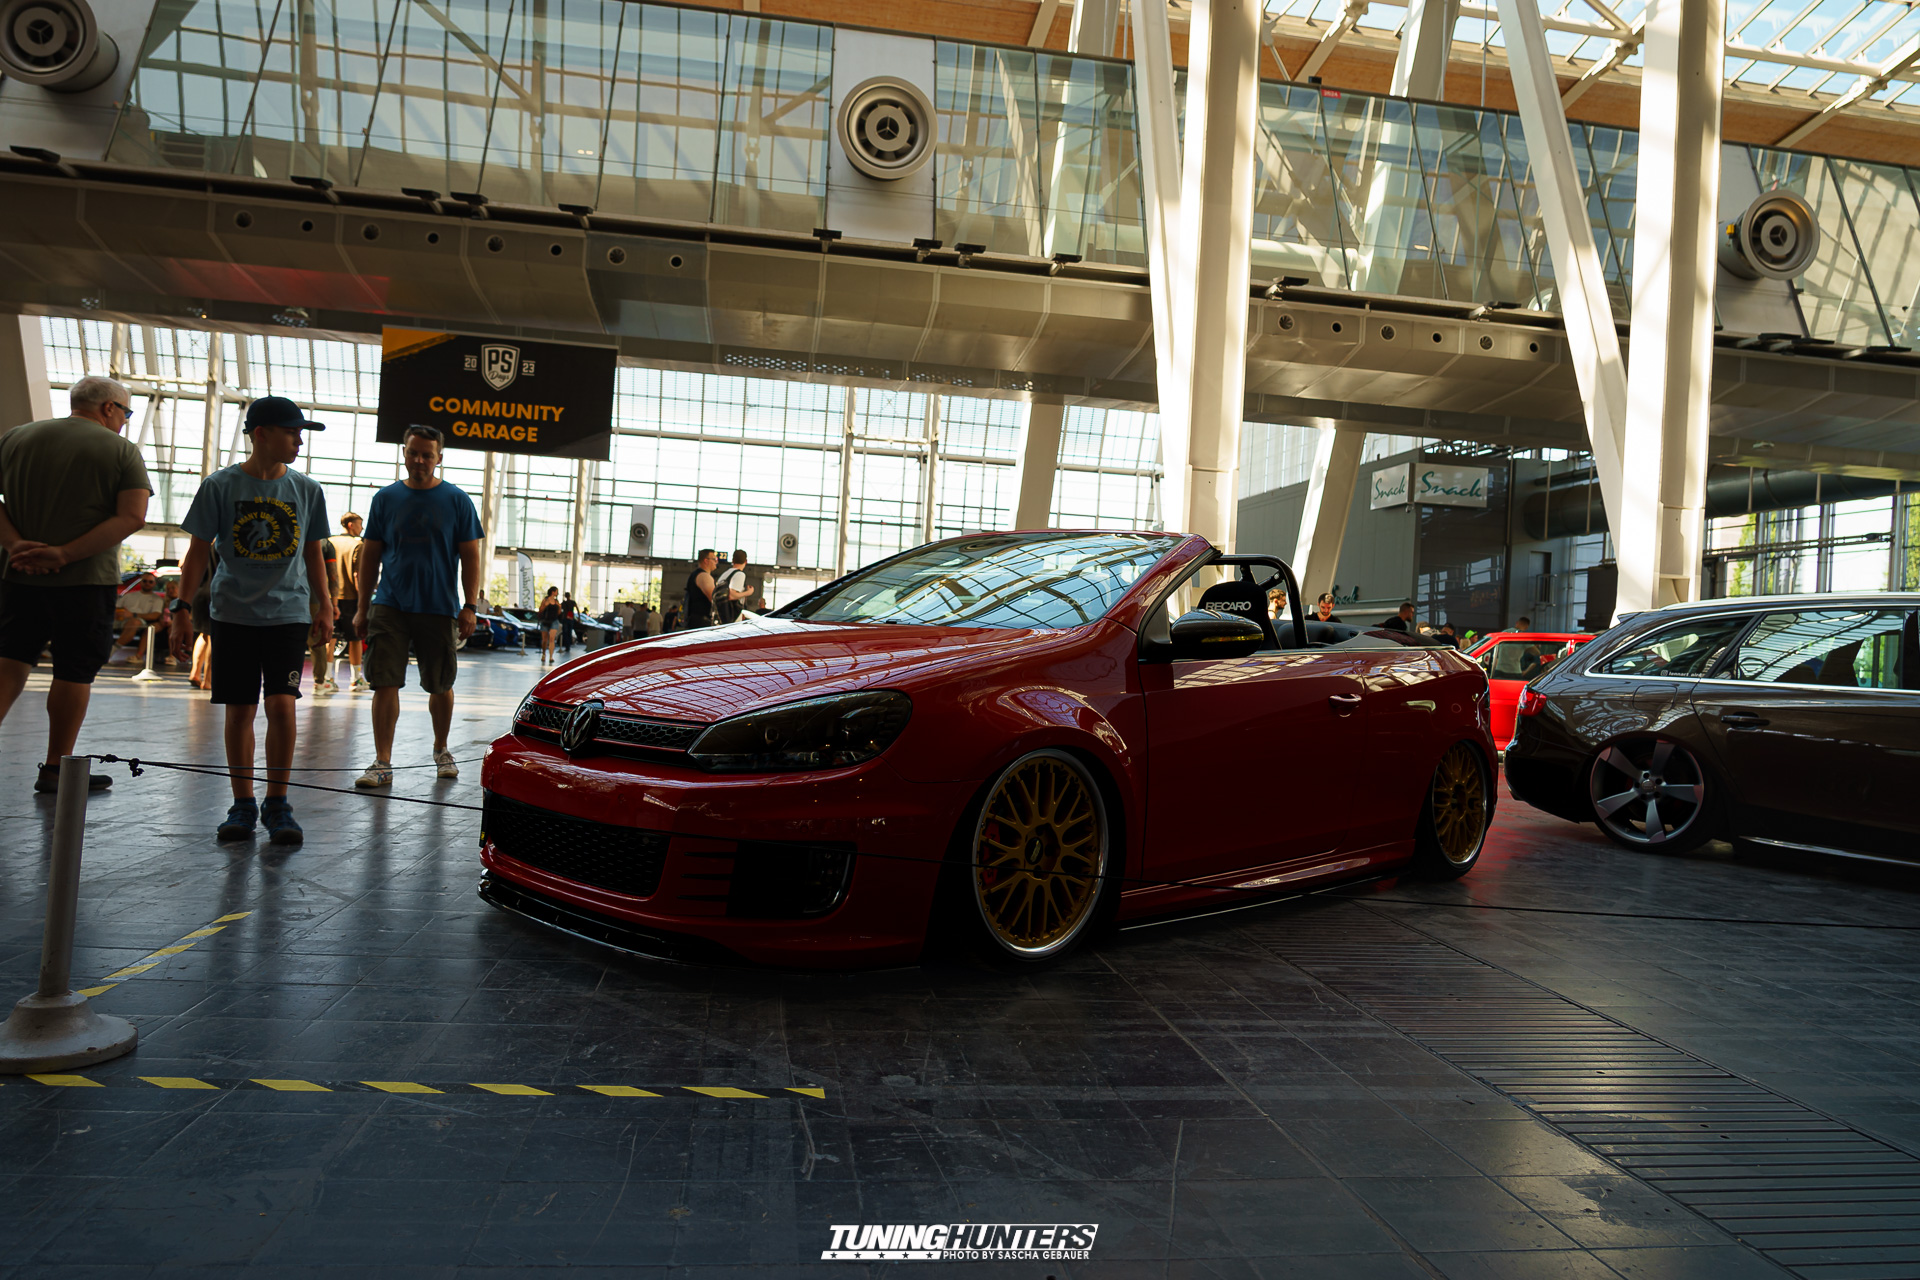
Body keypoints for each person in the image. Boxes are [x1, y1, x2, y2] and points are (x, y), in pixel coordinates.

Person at [171, 396, 332, 845]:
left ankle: (277, 803)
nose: (299, 441)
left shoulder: (307, 489)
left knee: (281, 705)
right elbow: (197, 554)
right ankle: (242, 803)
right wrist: (181, 609)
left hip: (287, 614)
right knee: (240, 709)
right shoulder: (220, 486)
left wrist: (325, 604)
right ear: (261, 433)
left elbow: (313, 554)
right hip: (233, 615)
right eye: (292, 432)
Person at [0, 374, 152, 794]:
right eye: (125, 412)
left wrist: (14, 545)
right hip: (86, 580)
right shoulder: (121, 450)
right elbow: (133, 516)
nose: (124, 421)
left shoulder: (15, 438)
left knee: (9, 662)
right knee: (74, 672)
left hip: (18, 575)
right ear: (108, 407)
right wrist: (64, 554)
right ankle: (55, 769)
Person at [352, 426, 483, 788]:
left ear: (439, 457)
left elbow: (471, 556)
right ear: (404, 453)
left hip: (438, 607)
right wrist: (362, 608)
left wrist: (470, 606)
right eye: (413, 452)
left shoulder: (457, 500)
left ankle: (442, 749)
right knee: (384, 682)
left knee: (440, 684)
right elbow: (370, 556)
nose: (419, 460)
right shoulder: (385, 499)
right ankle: (382, 762)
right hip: (390, 604)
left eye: (427, 454)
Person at [327, 512, 366, 690]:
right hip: (351, 597)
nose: (362, 528)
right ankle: (356, 679)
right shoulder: (357, 544)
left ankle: (326, 678)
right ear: (351, 525)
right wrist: (363, 600)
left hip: (330, 597)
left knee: (330, 638)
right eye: (360, 524)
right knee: (355, 638)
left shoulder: (330, 541)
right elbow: (358, 574)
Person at [307, 535, 341, 693]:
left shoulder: (292, 535)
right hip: (314, 598)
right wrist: (334, 603)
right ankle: (319, 682)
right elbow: (332, 575)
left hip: (287, 597)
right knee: (317, 640)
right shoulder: (325, 544)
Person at [714, 550, 755, 624]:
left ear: (733, 561)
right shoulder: (740, 574)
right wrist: (748, 592)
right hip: (732, 618)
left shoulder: (725, 574)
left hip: (721, 615)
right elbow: (732, 595)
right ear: (746, 561)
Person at [684, 549, 718, 629]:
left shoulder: (695, 574)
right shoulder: (704, 576)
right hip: (701, 622)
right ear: (706, 561)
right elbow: (715, 599)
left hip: (696, 621)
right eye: (714, 559)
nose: (716, 562)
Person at [537, 586, 561, 664]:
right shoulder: (545, 600)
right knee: (545, 640)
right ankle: (544, 654)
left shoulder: (556, 601)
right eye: (556, 591)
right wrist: (545, 605)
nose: (557, 593)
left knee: (552, 639)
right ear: (553, 592)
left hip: (554, 621)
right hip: (545, 621)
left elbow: (559, 613)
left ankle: (551, 657)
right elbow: (540, 610)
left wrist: (559, 608)